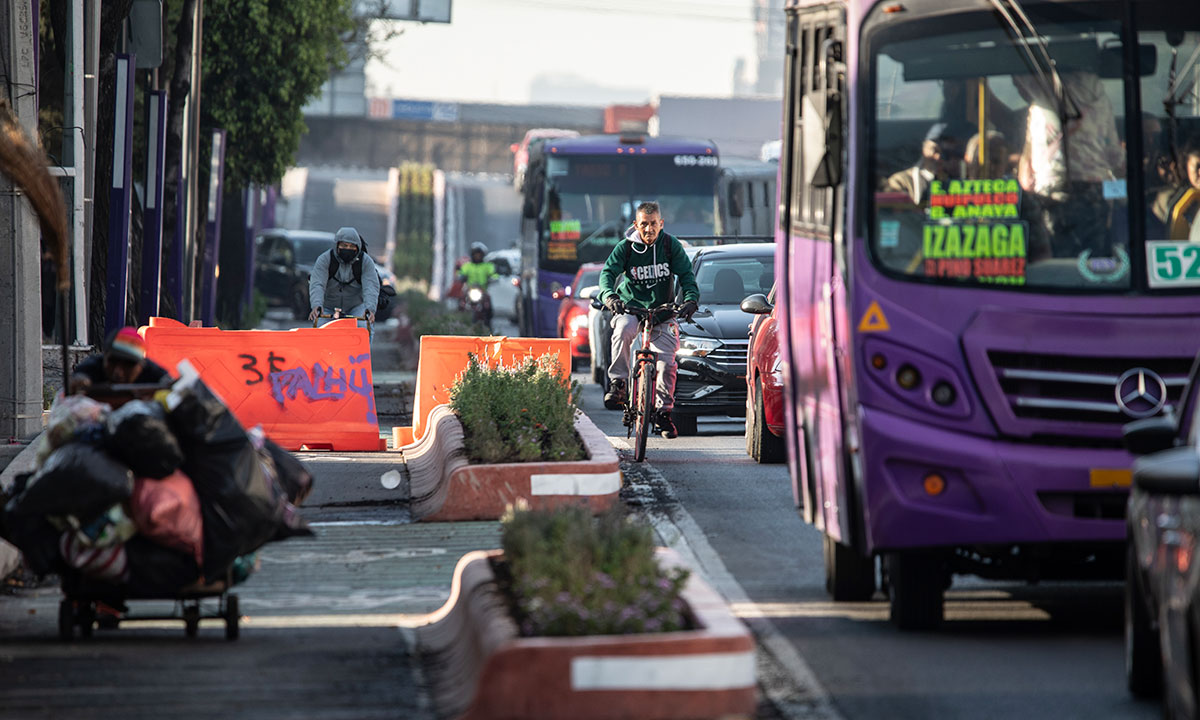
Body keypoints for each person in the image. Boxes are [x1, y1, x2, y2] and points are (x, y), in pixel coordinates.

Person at [598, 201, 700, 439]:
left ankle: (663, 413)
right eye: (644, 224)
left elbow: (687, 276)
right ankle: (619, 383)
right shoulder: (626, 248)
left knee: (666, 363)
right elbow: (607, 274)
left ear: (660, 223)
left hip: (662, 312)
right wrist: (610, 296)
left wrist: (691, 300)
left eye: (653, 224)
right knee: (622, 329)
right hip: (631, 308)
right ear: (636, 225)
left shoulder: (669, 245)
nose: (649, 229)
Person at [308, 227, 380, 338]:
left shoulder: (365, 262)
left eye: (352, 247)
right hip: (328, 306)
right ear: (337, 245)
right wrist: (317, 305)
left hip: (355, 305)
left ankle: (363, 355)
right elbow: (317, 284)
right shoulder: (325, 259)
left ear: (357, 248)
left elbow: (370, 286)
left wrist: (370, 308)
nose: (348, 249)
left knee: (363, 327)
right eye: (344, 246)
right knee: (320, 329)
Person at [68, 327, 171, 396]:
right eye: (113, 362)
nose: (118, 372)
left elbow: (170, 386)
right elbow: (79, 377)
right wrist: (79, 382)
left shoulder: (154, 373)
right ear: (104, 357)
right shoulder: (92, 367)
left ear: (141, 365)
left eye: (128, 365)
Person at [883, 123, 964, 204]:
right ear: (923, 148)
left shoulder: (960, 181)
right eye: (934, 150)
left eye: (945, 153)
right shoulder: (901, 181)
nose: (938, 157)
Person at [457, 242, 498, 325]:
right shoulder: (467, 266)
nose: (477, 256)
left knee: (488, 303)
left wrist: (493, 278)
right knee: (462, 301)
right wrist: (461, 277)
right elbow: (461, 273)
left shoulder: (487, 266)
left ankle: (488, 322)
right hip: (470, 290)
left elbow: (494, 274)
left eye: (479, 255)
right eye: (476, 254)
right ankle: (461, 319)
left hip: (482, 290)